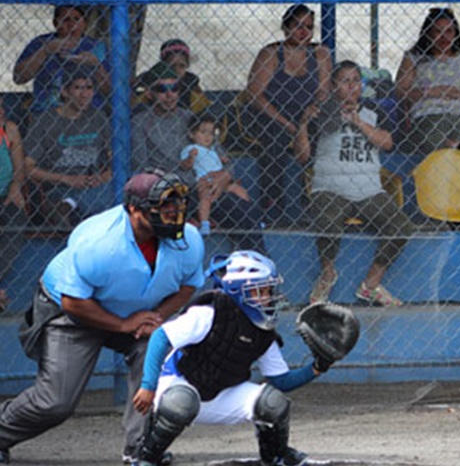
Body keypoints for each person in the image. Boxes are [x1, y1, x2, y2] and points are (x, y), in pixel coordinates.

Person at [0, 169, 204, 466]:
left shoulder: (188, 239)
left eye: (177, 205)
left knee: (155, 349)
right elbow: (73, 301)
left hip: (136, 310)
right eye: (163, 206)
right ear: (134, 208)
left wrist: (155, 318)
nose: (173, 213)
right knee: (56, 401)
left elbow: (189, 285)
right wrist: (123, 325)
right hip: (76, 311)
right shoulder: (98, 241)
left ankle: (141, 451)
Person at [129, 250, 322, 466]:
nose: (267, 297)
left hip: (220, 394)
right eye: (259, 290)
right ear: (237, 291)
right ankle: (147, 458)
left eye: (268, 290)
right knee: (180, 403)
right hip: (178, 384)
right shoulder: (209, 312)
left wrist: (317, 367)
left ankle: (276, 456)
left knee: (272, 403)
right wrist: (148, 385)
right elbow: (160, 337)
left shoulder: (263, 329)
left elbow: (281, 381)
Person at [295, 60, 414, 307]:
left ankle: (371, 285)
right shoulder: (321, 111)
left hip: (368, 190)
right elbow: (302, 156)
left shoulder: (374, 112)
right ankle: (327, 274)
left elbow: (387, 142)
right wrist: (304, 124)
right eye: (345, 81)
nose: (351, 86)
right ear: (333, 85)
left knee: (400, 226)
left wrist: (358, 122)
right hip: (330, 188)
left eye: (355, 81)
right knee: (328, 220)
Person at [245, 3, 333, 225]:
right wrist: (288, 124)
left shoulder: (320, 53)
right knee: (274, 140)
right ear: (286, 28)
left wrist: (310, 114)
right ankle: (273, 205)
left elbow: (323, 92)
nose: (303, 32)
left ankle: (315, 203)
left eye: (309, 27)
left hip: (308, 112)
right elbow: (255, 95)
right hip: (273, 114)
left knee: (324, 139)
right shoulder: (272, 53)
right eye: (298, 26)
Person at [24, 64, 112, 228]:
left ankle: (74, 203)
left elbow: (115, 157)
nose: (84, 94)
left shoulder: (98, 117)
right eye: (77, 88)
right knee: (64, 204)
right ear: (64, 92)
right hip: (58, 188)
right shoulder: (45, 121)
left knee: (128, 182)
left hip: (94, 185)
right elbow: (28, 168)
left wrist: (104, 176)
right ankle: (73, 203)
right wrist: (67, 179)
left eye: (89, 88)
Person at [394, 6, 460, 156]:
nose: (444, 37)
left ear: (456, 34)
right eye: (438, 32)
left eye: (449, 32)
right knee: (434, 139)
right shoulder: (414, 57)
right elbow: (400, 91)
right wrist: (430, 92)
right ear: (429, 34)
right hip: (428, 114)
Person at [13, 5, 110, 115]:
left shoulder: (96, 47)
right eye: (65, 20)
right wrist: (45, 51)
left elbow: (110, 90)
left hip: (88, 113)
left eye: (77, 19)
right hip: (47, 111)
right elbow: (18, 78)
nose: (71, 25)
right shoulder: (41, 43)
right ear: (55, 23)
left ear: (85, 23)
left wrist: (96, 65)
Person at [179, 113, 251, 236]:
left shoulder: (212, 149)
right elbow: (185, 166)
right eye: (203, 132)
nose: (208, 137)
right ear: (192, 134)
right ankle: (204, 223)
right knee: (205, 198)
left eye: (211, 133)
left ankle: (252, 217)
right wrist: (191, 158)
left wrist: (223, 160)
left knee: (241, 191)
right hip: (204, 181)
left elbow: (222, 164)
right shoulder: (191, 148)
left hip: (221, 181)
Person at [131, 61, 196, 188]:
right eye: (162, 89)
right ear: (149, 93)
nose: (169, 95)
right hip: (165, 186)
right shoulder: (140, 122)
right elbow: (141, 167)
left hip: (201, 182)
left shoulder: (190, 117)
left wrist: (224, 176)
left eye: (174, 88)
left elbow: (217, 153)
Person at [0, 96, 28, 312]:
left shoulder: (9, 130)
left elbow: (19, 168)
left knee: (15, 219)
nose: (1, 112)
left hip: (4, 195)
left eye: (1, 107)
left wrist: (15, 186)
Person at [134, 39, 210, 114]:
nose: (177, 71)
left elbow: (206, 109)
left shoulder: (192, 87)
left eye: (182, 66)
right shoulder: (151, 84)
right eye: (172, 66)